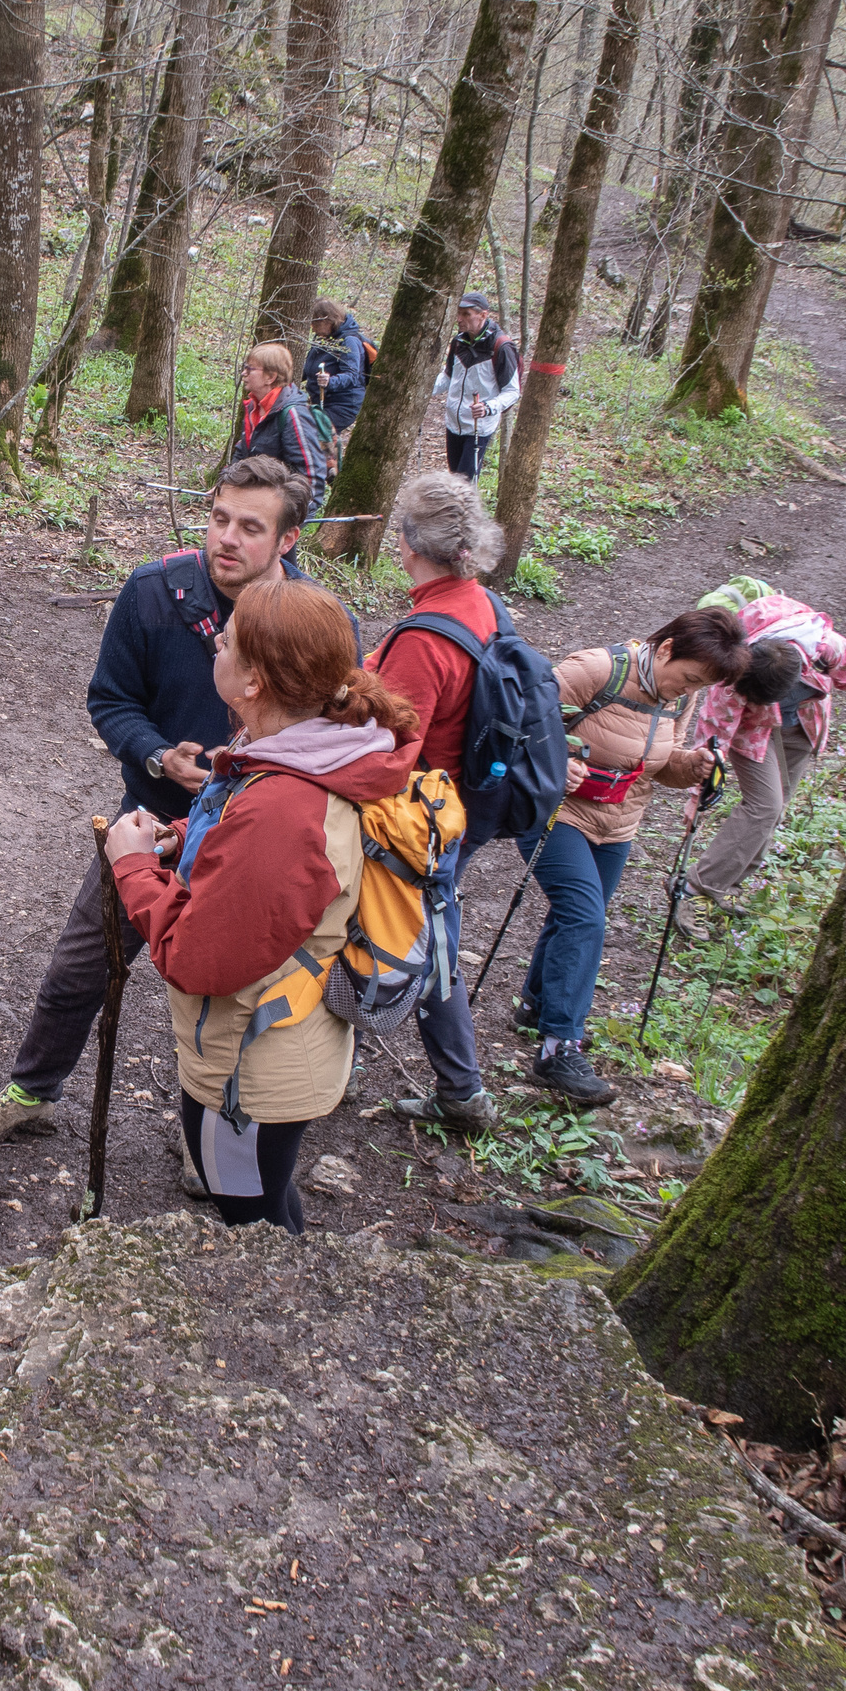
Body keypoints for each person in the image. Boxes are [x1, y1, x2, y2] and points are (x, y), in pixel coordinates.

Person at [0, 453, 321, 1145]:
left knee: (236, 997)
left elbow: (332, 730)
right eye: (219, 518)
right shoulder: (155, 592)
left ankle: (213, 1138)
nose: (226, 539)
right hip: (148, 826)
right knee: (79, 967)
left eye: (250, 527)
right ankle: (33, 1091)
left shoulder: (311, 621)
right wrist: (158, 755)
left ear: (287, 539)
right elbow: (111, 700)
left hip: (255, 842)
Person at [105, 581, 422, 1229]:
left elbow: (197, 959)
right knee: (267, 1197)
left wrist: (132, 865)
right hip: (280, 1039)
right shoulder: (318, 748)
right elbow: (261, 853)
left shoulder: (284, 808)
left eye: (224, 642)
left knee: (252, 1217)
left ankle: (282, 1293)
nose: (215, 648)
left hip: (251, 1070)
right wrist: (186, 838)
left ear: (253, 682)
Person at [515, 606, 751, 1106]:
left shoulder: (678, 697)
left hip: (619, 823)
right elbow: (523, 723)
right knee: (585, 916)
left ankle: (537, 1004)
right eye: (690, 678)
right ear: (666, 649)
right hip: (556, 813)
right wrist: (560, 761)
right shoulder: (596, 670)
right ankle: (559, 1048)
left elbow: (658, 763)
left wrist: (692, 765)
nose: (688, 690)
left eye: (700, 686)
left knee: (577, 914)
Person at [365, 472, 506, 1132]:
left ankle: (461, 1091)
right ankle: (456, 1087)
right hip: (462, 804)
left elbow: (388, 752)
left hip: (418, 820)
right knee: (431, 933)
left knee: (424, 941)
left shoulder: (425, 639)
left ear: (409, 542)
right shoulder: (479, 602)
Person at [676, 577, 846, 938]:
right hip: (752, 734)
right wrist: (697, 796)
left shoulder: (824, 647)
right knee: (765, 807)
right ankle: (695, 890)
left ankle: (726, 884)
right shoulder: (732, 673)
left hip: (802, 728)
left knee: (775, 810)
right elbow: (713, 741)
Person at [230, 340, 334, 506]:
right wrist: (227, 486)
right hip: (258, 502)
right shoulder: (253, 406)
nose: (244, 373)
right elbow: (243, 452)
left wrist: (295, 514)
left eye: (250, 369)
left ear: (270, 377)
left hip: (283, 508)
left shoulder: (294, 415)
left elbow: (311, 477)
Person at [432, 292, 519, 480]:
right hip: (453, 424)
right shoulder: (458, 341)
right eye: (458, 313)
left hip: (478, 427)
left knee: (464, 483)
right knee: (455, 480)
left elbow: (513, 391)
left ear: (483, 315)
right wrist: (423, 391)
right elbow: (448, 376)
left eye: (466, 314)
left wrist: (488, 407)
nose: (459, 319)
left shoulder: (501, 347)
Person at [302, 298, 368, 438]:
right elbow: (309, 367)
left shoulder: (349, 341)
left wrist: (330, 381)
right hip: (321, 401)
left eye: (315, 323)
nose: (312, 328)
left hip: (343, 404)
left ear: (327, 321)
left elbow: (352, 375)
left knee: (312, 434)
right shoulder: (322, 338)